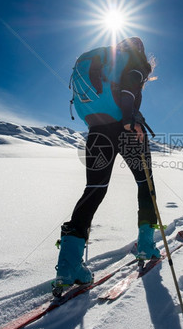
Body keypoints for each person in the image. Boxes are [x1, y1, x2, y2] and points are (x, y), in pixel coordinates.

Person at [54, 37, 159, 289]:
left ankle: (68, 266)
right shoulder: (136, 63)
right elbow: (129, 88)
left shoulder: (104, 62)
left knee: (94, 190)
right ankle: (146, 245)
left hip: (96, 129)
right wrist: (129, 118)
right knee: (145, 184)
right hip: (126, 128)